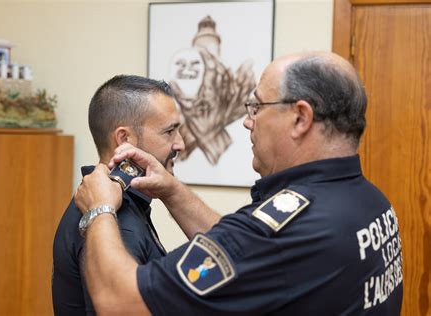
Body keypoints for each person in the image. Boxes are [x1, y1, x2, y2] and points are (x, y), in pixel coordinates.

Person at [74, 52, 403, 315]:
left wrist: (99, 209)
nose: (247, 121)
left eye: (257, 107)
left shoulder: (284, 229)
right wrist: (172, 190)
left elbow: (120, 303)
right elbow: (246, 254)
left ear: (301, 118)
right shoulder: (370, 202)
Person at [52, 75, 185, 315]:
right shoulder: (114, 222)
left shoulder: (124, 206)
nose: (180, 144)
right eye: (169, 132)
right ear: (124, 139)